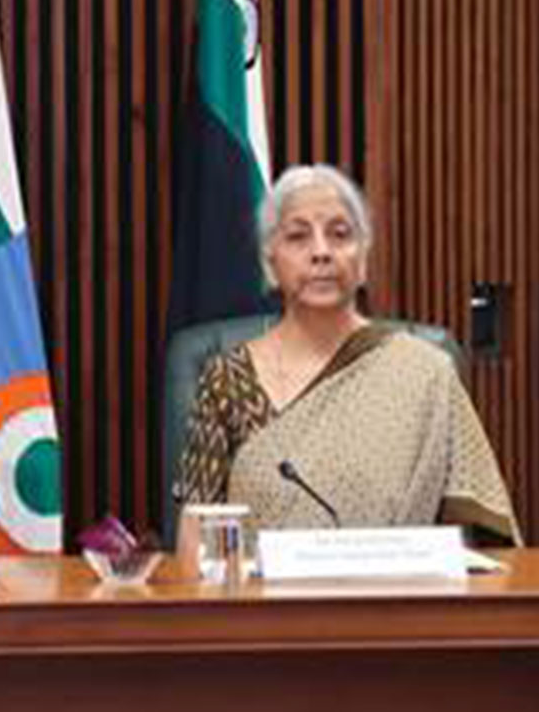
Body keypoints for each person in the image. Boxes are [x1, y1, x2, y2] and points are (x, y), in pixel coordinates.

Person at [173, 164, 521, 543]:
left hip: (400, 596)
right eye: (298, 236)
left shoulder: (426, 372)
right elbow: (195, 537)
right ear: (269, 263)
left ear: (364, 260)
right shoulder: (227, 379)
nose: (321, 252)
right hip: (263, 600)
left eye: (340, 235)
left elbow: (486, 538)